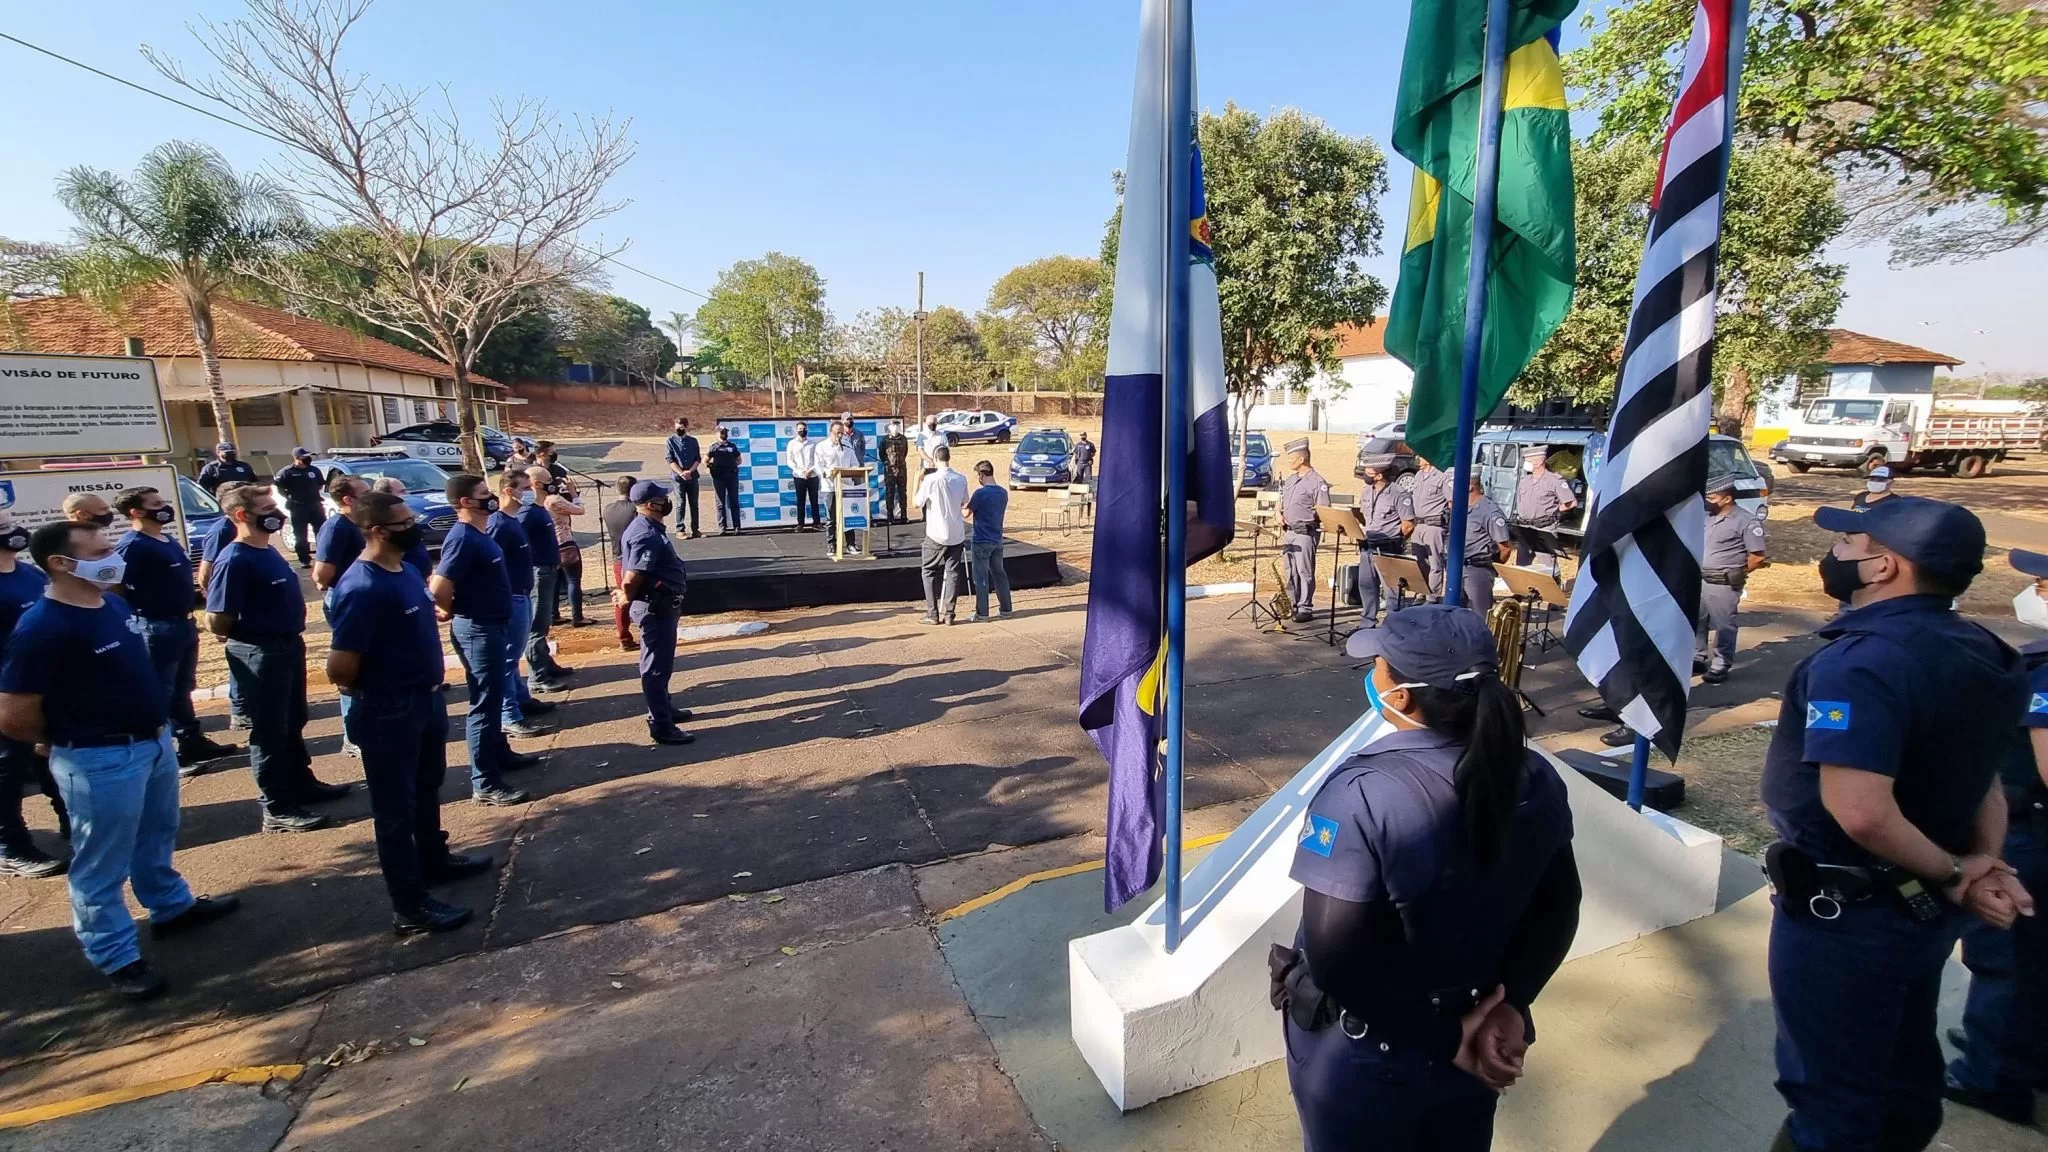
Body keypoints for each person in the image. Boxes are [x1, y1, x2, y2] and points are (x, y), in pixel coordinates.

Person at [1758, 496, 2035, 1152]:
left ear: (1885, 566)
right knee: (1902, 1081)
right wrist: (1980, 864)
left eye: (1849, 544)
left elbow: (1862, 811)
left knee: (1832, 1104)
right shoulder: (1986, 651)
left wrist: (1958, 872)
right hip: (1917, 913)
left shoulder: (1859, 663)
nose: (1835, 555)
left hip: (1850, 918)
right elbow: (1986, 779)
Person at [1275, 605, 1581, 1151]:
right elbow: (1559, 907)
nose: (1373, 674)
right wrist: (1511, 1006)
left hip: (1371, 1058)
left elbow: (1333, 958)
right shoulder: (1535, 775)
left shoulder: (1362, 793)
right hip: (1480, 1035)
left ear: (1401, 697)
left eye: (1380, 665)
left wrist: (1448, 1038)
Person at [0, 521, 242, 1000]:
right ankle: (115, 954)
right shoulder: (43, 627)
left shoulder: (111, 603)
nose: (114, 557)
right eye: (100, 552)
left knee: (157, 832)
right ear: (61, 564)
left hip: (153, 743)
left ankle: (170, 907)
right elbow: (13, 714)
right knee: (101, 862)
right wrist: (59, 739)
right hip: (99, 758)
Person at [328, 491, 493, 937]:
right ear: (378, 531)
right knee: (395, 810)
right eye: (404, 521)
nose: (414, 526)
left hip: (424, 700)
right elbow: (340, 668)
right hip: (389, 709)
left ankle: (434, 862)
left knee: (425, 789)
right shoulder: (361, 587)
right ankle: (409, 904)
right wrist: (385, 689)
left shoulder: (402, 571)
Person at [1942, 547, 2048, 1125]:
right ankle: (2023, 1051)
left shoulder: (2045, 672)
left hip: (2030, 833)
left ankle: (1993, 1076)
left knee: (2005, 957)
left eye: (2045, 584)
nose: (2036, 591)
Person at [207, 484, 350, 833]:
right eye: (266, 508)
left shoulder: (267, 550)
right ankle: (276, 807)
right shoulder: (234, 558)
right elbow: (217, 618)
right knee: (270, 730)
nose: (276, 513)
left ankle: (301, 784)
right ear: (242, 515)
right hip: (260, 651)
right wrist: (251, 634)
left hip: (287, 646)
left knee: (293, 720)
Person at [431, 473, 538, 806]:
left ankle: (499, 753)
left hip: (493, 625)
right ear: (465, 502)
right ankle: (485, 782)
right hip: (478, 629)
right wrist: (451, 609)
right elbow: (439, 587)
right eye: (482, 493)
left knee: (493, 697)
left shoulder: (480, 532)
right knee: (485, 704)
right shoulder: (463, 537)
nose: (490, 497)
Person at [113, 486, 236, 774]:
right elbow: (115, 588)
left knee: (183, 687)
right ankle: (169, 754)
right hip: (155, 626)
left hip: (182, 623)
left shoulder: (166, 539)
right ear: (136, 511)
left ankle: (191, 741)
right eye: (156, 504)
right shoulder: (132, 545)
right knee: (161, 691)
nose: (164, 508)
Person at [0, 512, 68, 879]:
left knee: (50, 760)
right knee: (7, 772)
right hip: (8, 695)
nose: (12, 532)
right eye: (2, 529)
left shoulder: (28, 574)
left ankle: (71, 823)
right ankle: (10, 847)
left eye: (9, 523)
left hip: (47, 688)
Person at [616, 480, 695, 746]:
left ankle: (664, 708)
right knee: (655, 668)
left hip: (661, 605)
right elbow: (633, 576)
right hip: (655, 608)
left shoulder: (648, 527)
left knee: (662, 664)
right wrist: (626, 595)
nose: (667, 501)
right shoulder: (646, 534)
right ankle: (661, 725)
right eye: (662, 498)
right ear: (652, 504)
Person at [487, 469, 556, 739]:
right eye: (525, 488)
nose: (530, 492)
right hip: (510, 597)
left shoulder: (512, 520)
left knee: (513, 657)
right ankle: (510, 716)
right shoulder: (498, 524)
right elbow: (492, 565)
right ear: (509, 491)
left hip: (522, 593)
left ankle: (522, 699)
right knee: (506, 660)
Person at [1695, 475, 1768, 685]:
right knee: (1698, 620)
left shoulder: (1746, 521)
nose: (1708, 500)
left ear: (1727, 498)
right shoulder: (1706, 516)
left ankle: (1720, 664)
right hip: (1700, 580)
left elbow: (1757, 556)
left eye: (1712, 497)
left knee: (1724, 624)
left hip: (1723, 582)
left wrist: (1740, 573)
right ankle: (1698, 657)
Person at [196, 483, 256, 732]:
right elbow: (206, 572)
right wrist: (218, 605)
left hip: (250, 607)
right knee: (241, 660)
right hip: (233, 609)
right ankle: (241, 712)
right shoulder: (222, 530)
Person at [521, 465, 575, 689]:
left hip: (548, 569)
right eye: (548, 480)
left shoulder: (540, 508)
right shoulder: (527, 513)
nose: (553, 483)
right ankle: (538, 676)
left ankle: (546, 663)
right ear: (536, 484)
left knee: (543, 623)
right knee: (536, 625)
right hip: (539, 572)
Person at [914, 444, 970, 625]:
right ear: (949, 458)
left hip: (936, 533)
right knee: (953, 573)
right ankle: (949, 614)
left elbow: (916, 503)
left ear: (936, 459)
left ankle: (932, 614)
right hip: (956, 533)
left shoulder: (930, 480)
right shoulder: (961, 478)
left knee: (928, 571)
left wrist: (916, 481)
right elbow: (965, 502)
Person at [1357, 457, 1417, 624]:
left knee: (1392, 590)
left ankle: (1393, 624)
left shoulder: (1399, 494)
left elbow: (1408, 525)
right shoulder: (1366, 491)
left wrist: (1395, 540)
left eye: (1369, 472)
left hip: (1388, 548)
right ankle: (1367, 622)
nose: (1365, 475)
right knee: (1367, 586)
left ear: (1379, 475)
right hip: (1368, 547)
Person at [1279, 439, 1332, 624]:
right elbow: (1281, 500)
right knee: (1290, 571)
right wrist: (1278, 513)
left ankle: (1305, 608)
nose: (1289, 461)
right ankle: (1292, 604)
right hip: (1289, 531)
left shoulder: (1317, 482)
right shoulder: (1291, 479)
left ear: (1302, 459)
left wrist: (1309, 520)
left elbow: (1324, 510)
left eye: (1291, 458)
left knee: (1304, 571)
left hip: (1305, 532)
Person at [1512, 448, 1576, 575]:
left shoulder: (1554, 480)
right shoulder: (1525, 481)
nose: (1526, 463)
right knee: (1522, 565)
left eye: (1528, 460)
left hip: (1544, 528)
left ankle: (1554, 586)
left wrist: (1554, 511)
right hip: (1525, 527)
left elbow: (1571, 503)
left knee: (1548, 567)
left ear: (1539, 462)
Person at [965, 461, 1012, 622]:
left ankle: (982, 613)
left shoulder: (980, 493)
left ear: (981, 475)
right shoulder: (1003, 493)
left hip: (981, 540)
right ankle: (1006, 609)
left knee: (981, 577)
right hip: (997, 539)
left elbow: (966, 514)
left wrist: (960, 504)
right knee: (999, 574)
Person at [1459, 475, 1513, 616]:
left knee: (1480, 615)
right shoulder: (1462, 507)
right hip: (1458, 568)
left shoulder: (1489, 511)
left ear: (1470, 487)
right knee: (1455, 615)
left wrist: (1491, 567)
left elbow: (1505, 549)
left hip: (1478, 570)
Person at [542, 470, 587, 626]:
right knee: (573, 580)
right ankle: (578, 617)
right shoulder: (554, 500)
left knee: (554, 581)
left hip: (550, 544)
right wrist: (573, 493)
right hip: (565, 542)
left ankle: (554, 615)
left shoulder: (537, 500)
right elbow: (580, 510)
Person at [602, 476, 642, 651]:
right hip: (634, 558)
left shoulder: (608, 509)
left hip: (617, 557)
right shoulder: (635, 509)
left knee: (622, 597)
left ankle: (624, 637)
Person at [272, 447, 326, 569]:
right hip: (298, 507)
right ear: (296, 458)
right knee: (300, 535)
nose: (308, 459)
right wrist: (290, 497)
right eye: (304, 457)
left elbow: (320, 484)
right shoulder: (287, 472)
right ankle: (304, 560)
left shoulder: (314, 470)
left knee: (321, 532)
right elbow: (279, 487)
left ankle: (322, 557)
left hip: (315, 505)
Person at [1408, 455, 1452, 602]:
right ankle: (1420, 593)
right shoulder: (1418, 475)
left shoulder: (1442, 476)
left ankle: (1432, 597)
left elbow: (1451, 501)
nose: (1417, 458)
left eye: (1420, 456)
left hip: (1434, 525)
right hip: (1418, 525)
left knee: (1435, 564)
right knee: (1419, 562)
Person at [370, 477, 432, 580]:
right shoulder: (386, 525)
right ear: (387, 495)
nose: (407, 494)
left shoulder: (406, 513)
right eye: (402, 492)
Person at [816, 421, 862, 552]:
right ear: (831, 432)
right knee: (831, 518)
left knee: (848, 516)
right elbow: (818, 467)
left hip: (846, 486)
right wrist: (828, 472)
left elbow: (855, 464)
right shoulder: (822, 446)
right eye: (837, 433)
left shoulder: (847, 446)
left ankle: (850, 544)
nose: (840, 436)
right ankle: (832, 544)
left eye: (842, 433)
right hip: (830, 487)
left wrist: (853, 469)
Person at [663, 417, 704, 539]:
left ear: (686, 427)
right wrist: (681, 472)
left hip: (692, 476)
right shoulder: (670, 441)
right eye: (676, 428)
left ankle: (695, 530)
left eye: (681, 428)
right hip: (677, 477)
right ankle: (680, 530)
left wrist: (690, 471)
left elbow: (698, 459)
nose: (678, 430)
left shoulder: (693, 441)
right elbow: (670, 459)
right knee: (680, 503)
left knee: (694, 504)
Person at [707, 426, 743, 534]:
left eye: (725, 432)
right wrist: (710, 467)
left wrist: (732, 466)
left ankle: (737, 526)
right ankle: (722, 527)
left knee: (734, 502)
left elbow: (739, 460)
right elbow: (705, 460)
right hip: (719, 478)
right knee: (720, 503)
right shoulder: (713, 447)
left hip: (731, 477)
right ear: (717, 433)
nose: (723, 434)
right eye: (721, 432)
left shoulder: (732, 446)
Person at [787, 423, 821, 531]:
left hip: (813, 475)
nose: (802, 431)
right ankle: (800, 524)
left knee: (814, 500)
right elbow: (790, 461)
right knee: (800, 500)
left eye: (804, 429)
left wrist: (810, 470)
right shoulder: (792, 444)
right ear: (796, 430)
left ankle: (816, 523)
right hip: (799, 476)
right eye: (800, 429)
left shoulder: (813, 443)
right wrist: (802, 472)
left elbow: (818, 459)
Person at [879, 421, 911, 524]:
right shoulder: (885, 439)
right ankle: (890, 517)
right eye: (893, 425)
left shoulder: (903, 439)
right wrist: (889, 463)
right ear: (889, 427)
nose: (895, 427)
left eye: (897, 425)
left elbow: (905, 452)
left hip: (902, 470)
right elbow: (881, 454)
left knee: (903, 493)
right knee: (890, 493)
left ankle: (904, 516)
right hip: (890, 471)